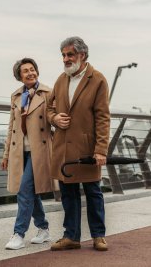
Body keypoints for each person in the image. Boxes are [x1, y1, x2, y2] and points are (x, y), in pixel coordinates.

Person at [47, 36, 110, 252]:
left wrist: (101, 150)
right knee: (68, 194)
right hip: (64, 149)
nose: (65, 59)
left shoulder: (98, 79)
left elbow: (103, 117)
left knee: (93, 193)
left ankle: (98, 236)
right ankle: (71, 237)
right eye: (63, 55)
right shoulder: (60, 80)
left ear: (82, 55)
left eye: (70, 54)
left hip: (87, 149)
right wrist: (54, 119)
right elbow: (49, 108)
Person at [1, 58, 53, 250]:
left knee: (24, 190)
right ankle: (43, 229)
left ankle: (19, 233)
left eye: (33, 69)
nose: (30, 73)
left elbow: (53, 118)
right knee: (31, 191)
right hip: (19, 151)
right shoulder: (16, 96)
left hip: (39, 150)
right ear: (19, 76)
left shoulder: (48, 93)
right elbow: (12, 126)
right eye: (26, 71)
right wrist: (6, 154)